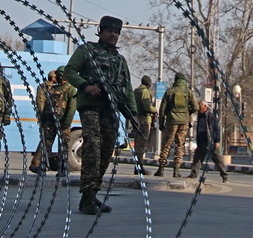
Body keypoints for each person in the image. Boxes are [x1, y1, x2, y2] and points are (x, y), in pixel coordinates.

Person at [64, 15, 138, 215]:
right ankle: (87, 196)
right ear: (101, 32)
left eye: (116, 32)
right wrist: (85, 86)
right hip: (90, 107)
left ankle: (93, 192)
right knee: (93, 148)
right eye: (110, 31)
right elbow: (70, 71)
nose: (113, 35)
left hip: (110, 109)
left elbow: (127, 89)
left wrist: (133, 113)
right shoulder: (87, 50)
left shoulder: (120, 61)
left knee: (106, 151)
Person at [29, 65, 77, 175]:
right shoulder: (54, 89)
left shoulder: (69, 90)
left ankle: (61, 167)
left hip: (60, 122)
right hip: (51, 121)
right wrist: (44, 120)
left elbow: (71, 108)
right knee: (48, 145)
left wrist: (66, 123)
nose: (59, 77)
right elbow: (47, 105)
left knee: (60, 145)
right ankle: (45, 166)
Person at [156, 72, 198, 178]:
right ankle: (176, 170)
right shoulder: (188, 92)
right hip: (184, 122)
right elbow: (196, 107)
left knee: (166, 145)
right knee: (180, 146)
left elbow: (162, 109)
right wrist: (187, 112)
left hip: (171, 121)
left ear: (175, 80)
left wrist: (161, 123)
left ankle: (161, 169)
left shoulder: (170, 91)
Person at [186, 100, 229, 183]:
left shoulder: (210, 115)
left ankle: (225, 176)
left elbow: (216, 129)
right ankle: (193, 174)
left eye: (200, 106)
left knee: (217, 160)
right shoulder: (199, 115)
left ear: (205, 106)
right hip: (201, 141)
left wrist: (217, 141)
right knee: (197, 158)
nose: (199, 108)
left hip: (210, 141)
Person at [133, 75, 157, 175]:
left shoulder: (136, 91)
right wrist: (155, 110)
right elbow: (147, 106)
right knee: (142, 145)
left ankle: (137, 166)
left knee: (138, 144)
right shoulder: (145, 92)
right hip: (144, 121)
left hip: (136, 120)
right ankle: (140, 167)